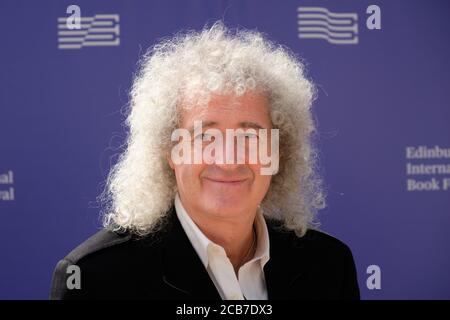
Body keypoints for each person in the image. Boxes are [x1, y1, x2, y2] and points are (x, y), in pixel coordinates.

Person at [50, 22, 360, 300]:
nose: (227, 159)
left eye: (250, 137)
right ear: (169, 151)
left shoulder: (329, 266)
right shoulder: (96, 278)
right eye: (205, 137)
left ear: (278, 152)